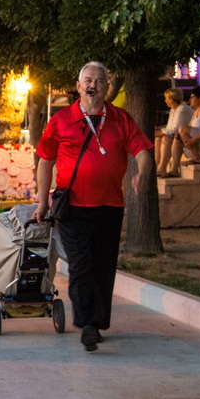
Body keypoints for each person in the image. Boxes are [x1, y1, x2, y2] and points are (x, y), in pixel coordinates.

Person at [33, 61, 153, 352]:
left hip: (111, 206)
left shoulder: (121, 119)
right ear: (78, 86)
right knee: (81, 265)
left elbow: (144, 150)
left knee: (103, 267)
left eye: (99, 81)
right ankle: (87, 324)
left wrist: (143, 175)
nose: (93, 85)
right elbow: (45, 160)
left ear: (107, 87)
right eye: (88, 80)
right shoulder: (61, 120)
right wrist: (41, 200)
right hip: (73, 206)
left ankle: (97, 322)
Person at [155, 88, 193, 177]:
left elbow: (173, 130)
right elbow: (169, 128)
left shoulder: (182, 110)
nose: (165, 101)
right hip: (177, 135)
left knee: (165, 138)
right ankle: (158, 167)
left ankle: (162, 168)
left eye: (166, 98)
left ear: (171, 99)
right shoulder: (174, 110)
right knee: (157, 139)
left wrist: (157, 132)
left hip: (185, 136)